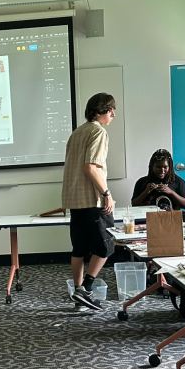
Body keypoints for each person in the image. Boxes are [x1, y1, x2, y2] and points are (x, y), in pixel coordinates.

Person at [61, 92, 117, 311]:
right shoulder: (98, 132)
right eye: (111, 109)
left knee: (79, 249)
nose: (113, 114)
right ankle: (85, 289)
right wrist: (106, 193)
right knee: (107, 246)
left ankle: (78, 294)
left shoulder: (77, 133)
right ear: (100, 111)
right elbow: (91, 167)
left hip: (75, 199)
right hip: (93, 200)